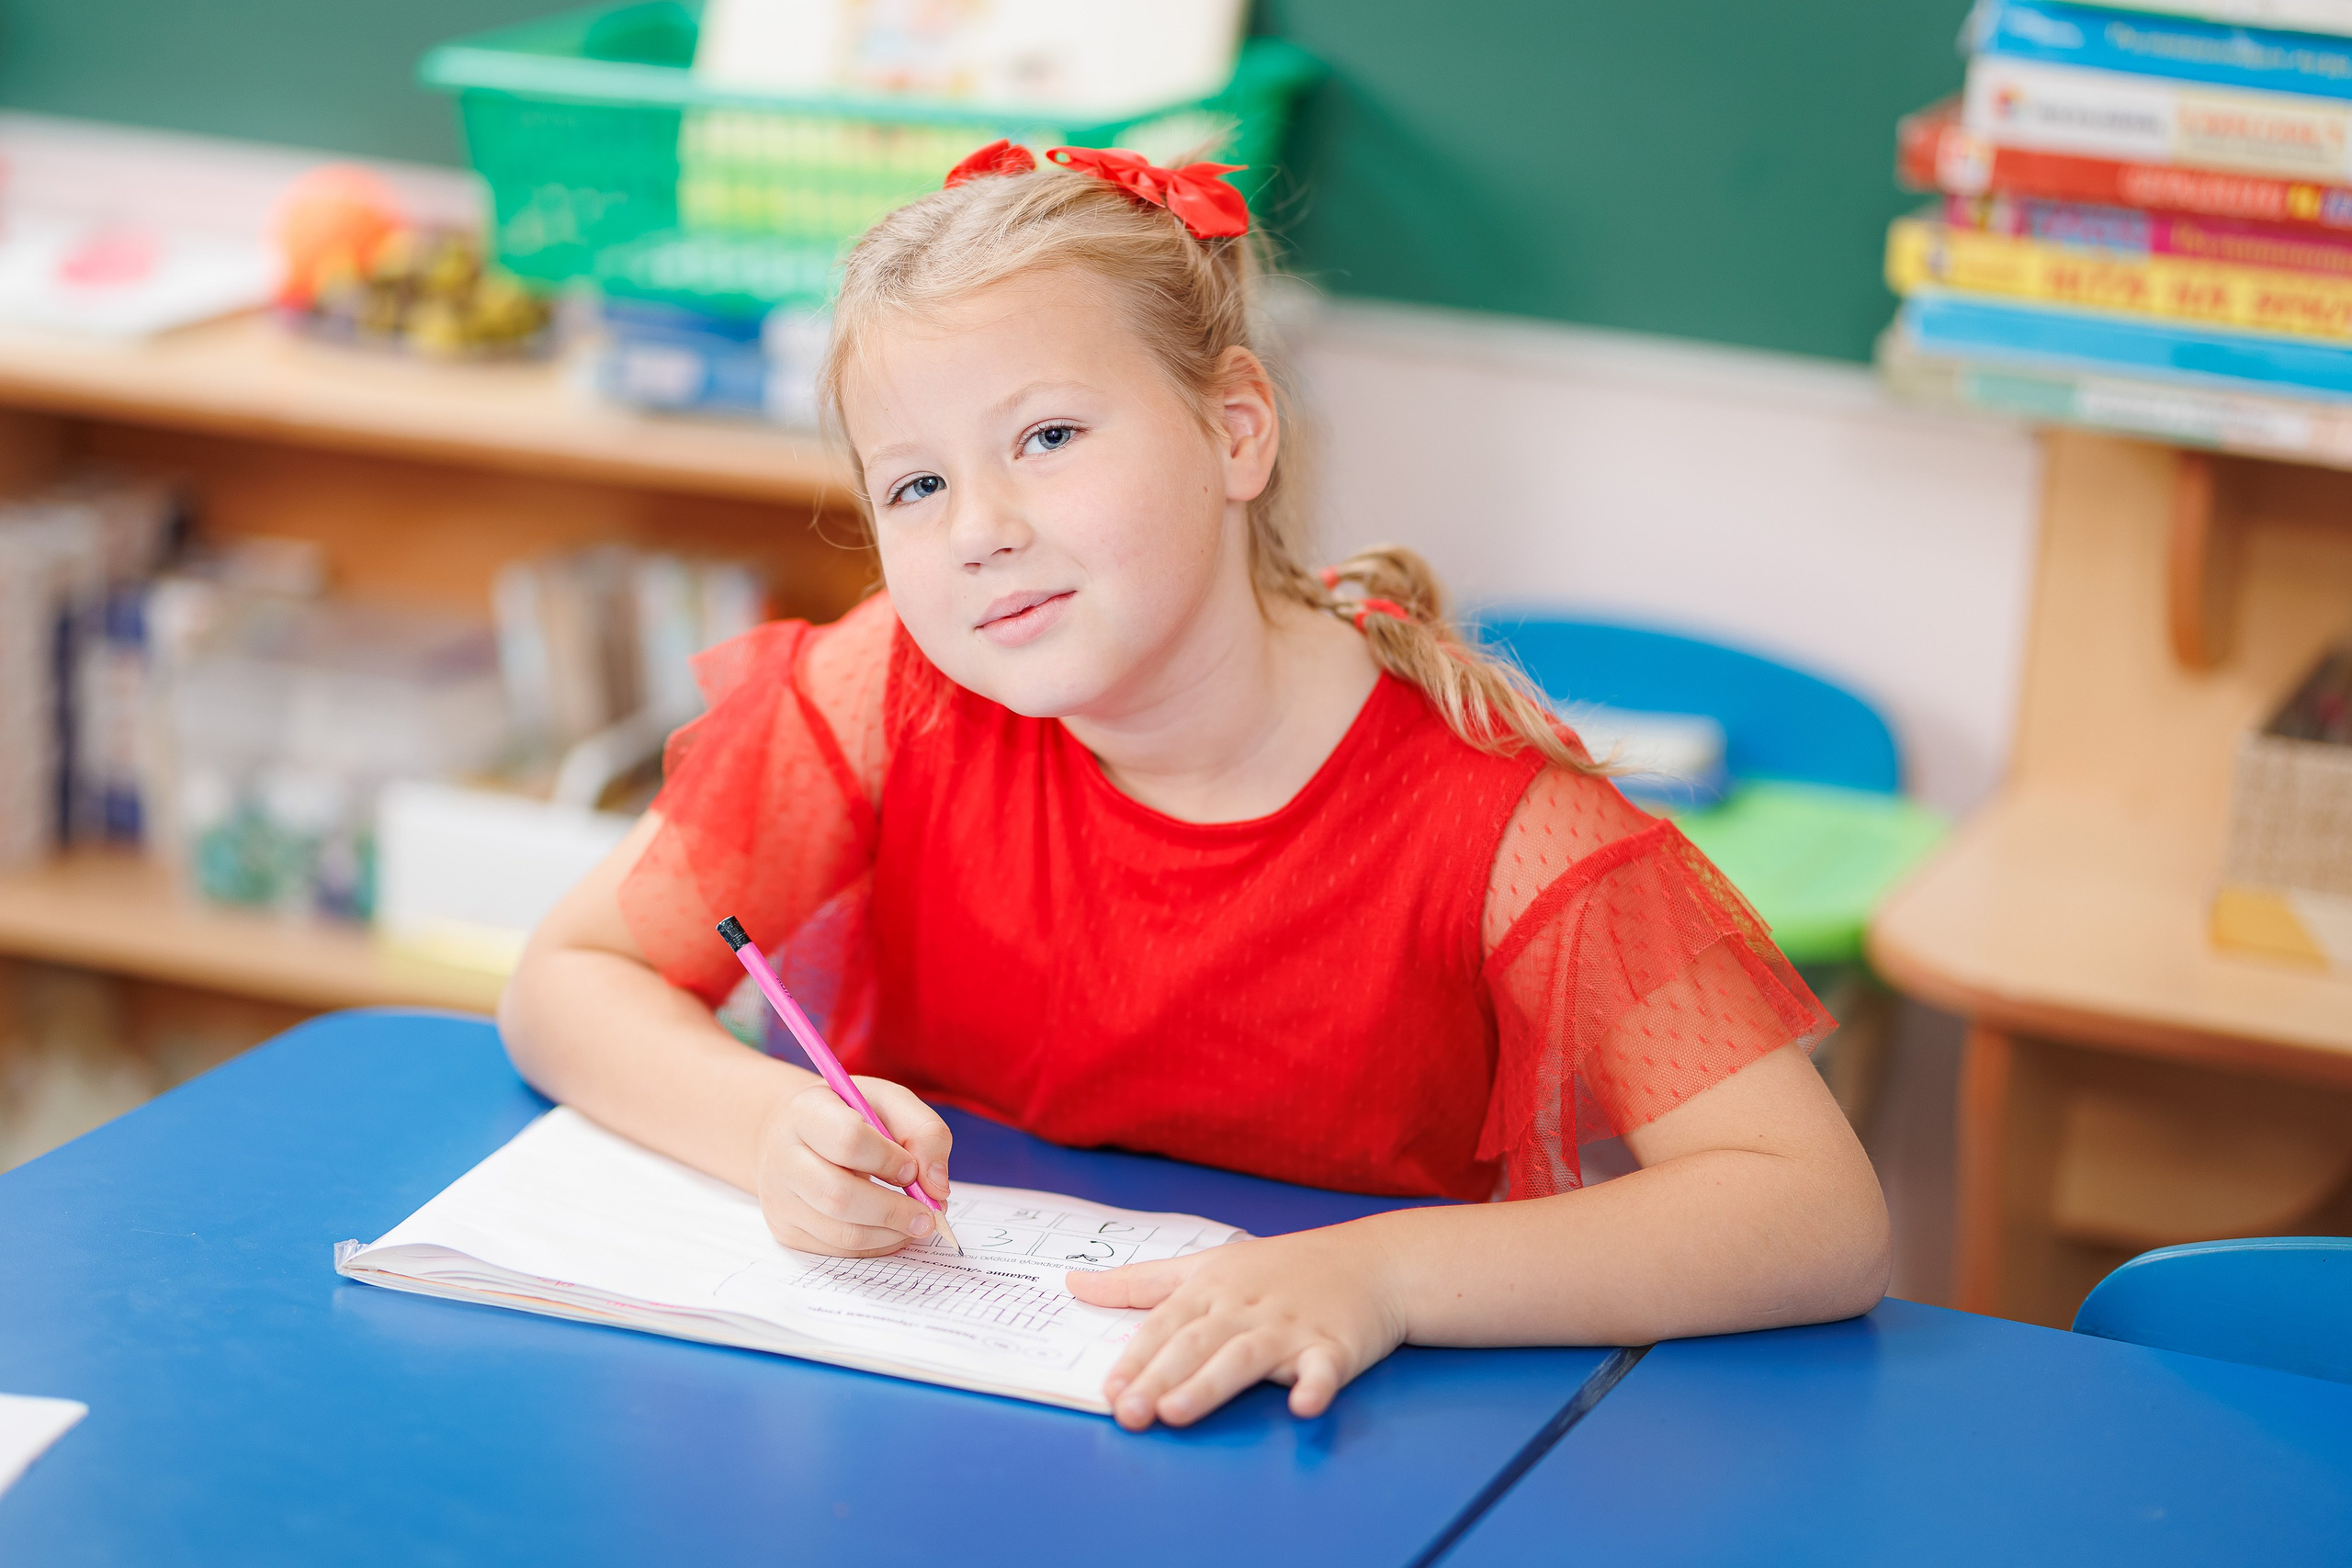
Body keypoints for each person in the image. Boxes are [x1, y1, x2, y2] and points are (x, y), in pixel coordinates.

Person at [501, 141, 1889, 1433]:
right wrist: (769, 1132)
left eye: (1049, 437)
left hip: (1338, 1437)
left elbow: (1815, 1214)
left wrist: (1383, 1277)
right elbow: (570, 975)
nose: (980, 530)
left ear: (1235, 430)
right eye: (915, 486)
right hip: (941, 1403)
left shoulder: (1501, 819)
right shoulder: (889, 694)